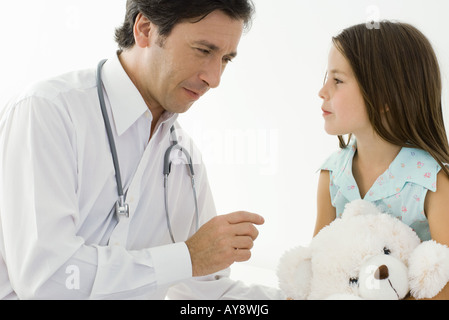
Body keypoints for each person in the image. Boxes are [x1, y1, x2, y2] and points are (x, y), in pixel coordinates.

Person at [0, 0, 284, 300]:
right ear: (145, 29)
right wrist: (187, 257)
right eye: (203, 50)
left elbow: (205, 292)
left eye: (226, 59)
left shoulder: (184, 157)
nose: (214, 79)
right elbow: (49, 281)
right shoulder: (48, 112)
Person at [316, 21, 449, 299]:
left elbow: (445, 285)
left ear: (383, 96)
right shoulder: (332, 174)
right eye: (326, 77)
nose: (323, 91)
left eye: (338, 80)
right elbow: (320, 262)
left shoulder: (433, 182)